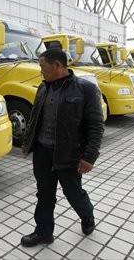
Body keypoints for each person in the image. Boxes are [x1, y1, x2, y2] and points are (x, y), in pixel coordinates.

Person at [20, 48, 105, 247]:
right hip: (42, 153)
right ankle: (43, 233)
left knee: (74, 193)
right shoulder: (42, 88)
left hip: (70, 154)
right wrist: (27, 142)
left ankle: (87, 216)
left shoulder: (86, 89)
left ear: (57, 65)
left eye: (42, 66)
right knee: (44, 194)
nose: (40, 71)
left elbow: (96, 125)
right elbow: (34, 118)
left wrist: (89, 157)